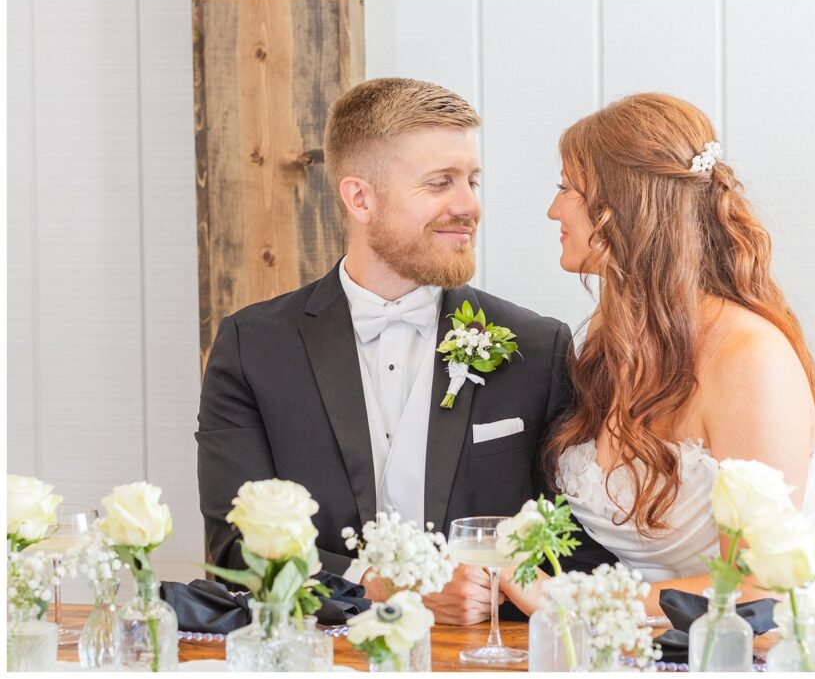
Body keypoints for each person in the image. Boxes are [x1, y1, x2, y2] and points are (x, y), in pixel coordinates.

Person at [196, 77, 614, 626]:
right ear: (360, 197)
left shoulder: (537, 346)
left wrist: (497, 585)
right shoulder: (254, 347)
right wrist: (375, 586)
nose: (468, 205)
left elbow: (579, 541)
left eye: (472, 180)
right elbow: (233, 549)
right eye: (440, 182)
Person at [499, 92, 815, 635]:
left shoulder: (748, 359)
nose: (554, 210)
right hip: (649, 650)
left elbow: (758, 590)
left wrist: (570, 597)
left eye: (566, 188)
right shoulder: (613, 345)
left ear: (623, 204)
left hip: (762, 651)